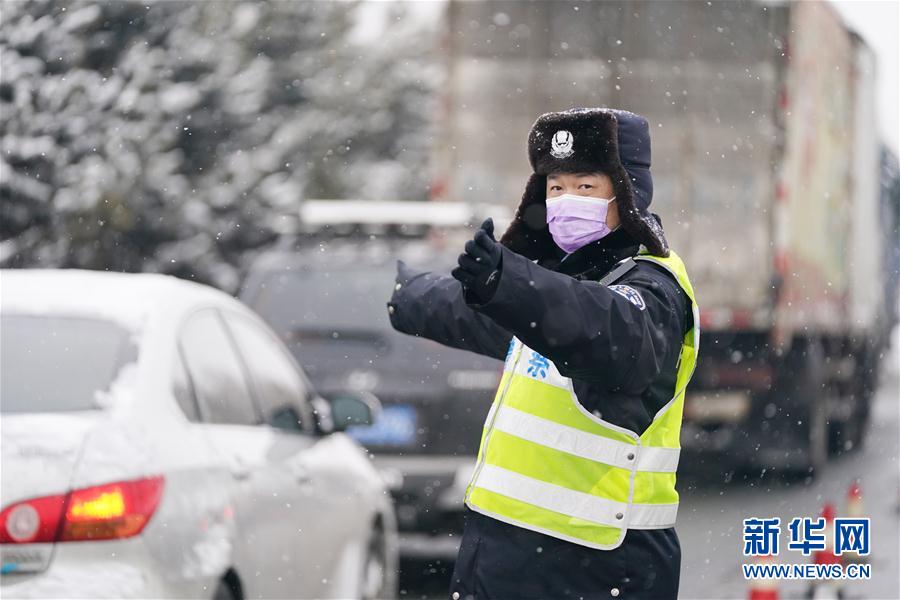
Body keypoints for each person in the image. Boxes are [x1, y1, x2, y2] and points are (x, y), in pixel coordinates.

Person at [387, 107, 699, 599]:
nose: (566, 201)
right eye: (555, 187)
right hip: (501, 553)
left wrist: (508, 282)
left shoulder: (653, 288)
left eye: (586, 186)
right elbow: (475, 313)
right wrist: (409, 296)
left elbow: (601, 328)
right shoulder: (555, 282)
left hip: (596, 565)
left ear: (629, 193)